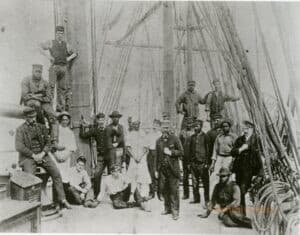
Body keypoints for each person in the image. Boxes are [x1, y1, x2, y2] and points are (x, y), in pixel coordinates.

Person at [15, 107, 71, 210]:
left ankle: (62, 200)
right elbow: (19, 146)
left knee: (56, 173)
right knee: (30, 179)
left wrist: (42, 153)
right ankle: (31, 205)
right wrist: (33, 155)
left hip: (42, 156)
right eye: (30, 117)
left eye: (34, 117)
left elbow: (48, 143)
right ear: (25, 118)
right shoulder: (20, 130)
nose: (33, 119)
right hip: (29, 158)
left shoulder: (41, 127)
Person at [40, 26, 77, 112]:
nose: (59, 35)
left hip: (63, 68)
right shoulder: (51, 42)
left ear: (63, 34)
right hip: (54, 67)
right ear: (55, 34)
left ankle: (59, 110)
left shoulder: (66, 44)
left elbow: (75, 53)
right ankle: (49, 109)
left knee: (62, 90)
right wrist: (48, 56)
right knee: (51, 88)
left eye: (61, 33)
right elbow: (40, 46)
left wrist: (68, 58)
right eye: (58, 33)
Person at [231, 120, 263, 213]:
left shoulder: (257, 140)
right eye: (244, 128)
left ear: (252, 129)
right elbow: (232, 153)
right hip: (239, 169)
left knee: (244, 190)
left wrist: (260, 173)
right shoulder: (239, 140)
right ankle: (242, 213)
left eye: (247, 129)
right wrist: (241, 149)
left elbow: (262, 156)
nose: (245, 131)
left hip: (252, 170)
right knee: (240, 191)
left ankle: (257, 213)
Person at [20, 64, 58, 143]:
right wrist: (38, 96)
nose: (38, 73)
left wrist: (36, 96)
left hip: (43, 101)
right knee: (36, 105)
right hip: (30, 102)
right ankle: (42, 126)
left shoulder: (45, 83)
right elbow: (25, 95)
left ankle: (53, 138)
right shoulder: (26, 80)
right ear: (32, 71)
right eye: (36, 71)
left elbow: (49, 97)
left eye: (40, 72)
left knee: (52, 114)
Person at [155, 117, 183, 220]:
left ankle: (175, 211)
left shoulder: (175, 139)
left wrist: (171, 153)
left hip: (173, 169)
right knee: (165, 189)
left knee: (174, 190)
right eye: (163, 127)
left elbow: (181, 152)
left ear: (169, 128)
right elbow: (157, 157)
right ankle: (167, 208)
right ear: (161, 129)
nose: (165, 129)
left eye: (167, 127)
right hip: (163, 169)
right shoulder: (158, 141)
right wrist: (156, 170)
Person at [79, 112, 107, 199]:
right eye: (99, 120)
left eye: (103, 119)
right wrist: (81, 126)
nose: (101, 121)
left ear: (105, 120)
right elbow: (83, 135)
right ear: (97, 121)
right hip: (101, 156)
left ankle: (116, 195)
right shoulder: (95, 130)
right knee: (97, 174)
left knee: (114, 173)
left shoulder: (109, 128)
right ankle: (96, 195)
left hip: (110, 155)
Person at [126, 120, 152, 211]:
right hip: (133, 159)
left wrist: (140, 157)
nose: (135, 126)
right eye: (134, 124)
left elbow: (146, 149)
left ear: (139, 124)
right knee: (133, 177)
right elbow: (128, 148)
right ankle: (132, 196)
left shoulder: (143, 134)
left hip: (142, 159)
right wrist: (134, 157)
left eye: (137, 124)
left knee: (143, 178)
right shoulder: (130, 134)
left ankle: (144, 197)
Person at [209, 119, 237, 196]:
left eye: (226, 126)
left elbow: (236, 151)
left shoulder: (233, 137)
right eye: (223, 126)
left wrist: (233, 162)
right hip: (219, 158)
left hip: (229, 158)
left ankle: (228, 198)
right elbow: (215, 150)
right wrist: (212, 164)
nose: (224, 128)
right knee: (214, 178)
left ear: (229, 127)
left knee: (227, 178)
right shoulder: (219, 137)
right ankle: (213, 198)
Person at [51, 111, 77, 184]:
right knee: (56, 176)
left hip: (66, 157)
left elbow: (72, 147)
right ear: (60, 120)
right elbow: (52, 144)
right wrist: (57, 155)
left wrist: (65, 156)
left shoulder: (70, 132)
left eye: (66, 120)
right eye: (63, 119)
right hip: (56, 156)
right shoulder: (55, 130)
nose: (65, 121)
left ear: (68, 121)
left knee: (65, 177)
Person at [188, 119, 210, 206]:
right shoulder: (192, 137)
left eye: (197, 126)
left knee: (205, 182)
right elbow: (190, 150)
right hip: (193, 162)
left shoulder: (205, 136)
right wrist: (190, 162)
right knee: (194, 182)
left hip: (202, 163)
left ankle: (207, 200)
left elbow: (208, 150)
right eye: (195, 126)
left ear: (201, 126)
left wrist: (207, 162)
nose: (195, 128)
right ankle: (196, 198)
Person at [181, 118, 195, 200]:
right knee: (185, 177)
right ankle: (186, 194)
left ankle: (195, 195)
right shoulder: (182, 132)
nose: (189, 125)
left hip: (193, 157)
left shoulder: (194, 133)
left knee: (194, 177)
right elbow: (179, 144)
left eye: (190, 123)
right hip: (185, 157)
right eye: (187, 123)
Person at [146, 119, 161, 198]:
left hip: (158, 154)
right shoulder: (149, 134)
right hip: (150, 153)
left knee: (158, 172)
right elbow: (146, 144)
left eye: (157, 125)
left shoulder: (160, 135)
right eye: (154, 125)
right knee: (151, 172)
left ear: (159, 127)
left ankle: (160, 192)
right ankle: (152, 192)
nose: (155, 127)